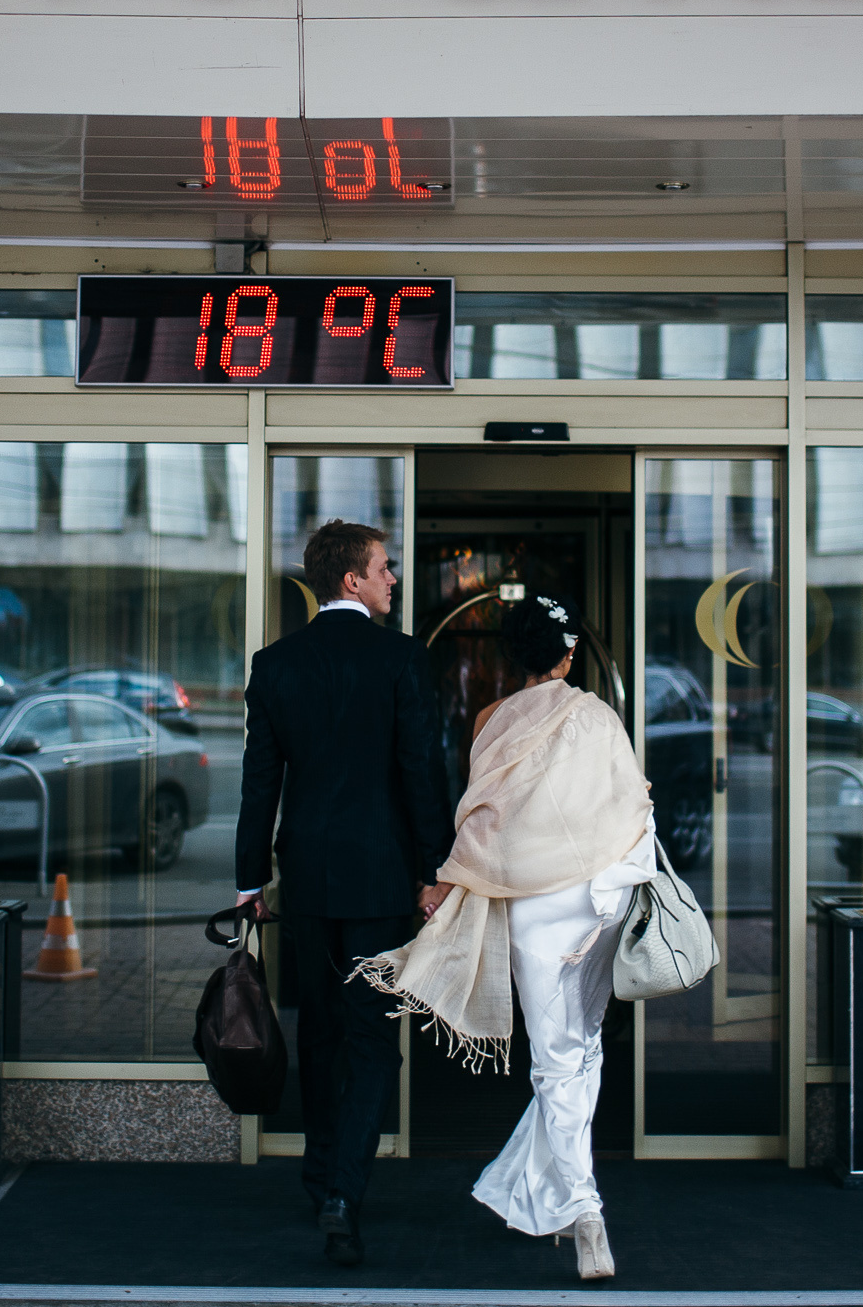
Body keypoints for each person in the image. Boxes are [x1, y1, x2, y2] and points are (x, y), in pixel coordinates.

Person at [353, 596, 654, 1282]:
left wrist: (452, 880)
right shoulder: (599, 717)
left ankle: (581, 1208)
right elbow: (632, 808)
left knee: (555, 1057)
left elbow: (482, 823)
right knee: (581, 1048)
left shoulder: (490, 721)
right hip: (593, 905)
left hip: (530, 906)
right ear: (569, 653)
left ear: (510, 655)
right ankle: (562, 1199)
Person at [235, 520, 454, 1269]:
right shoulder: (401, 659)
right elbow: (419, 771)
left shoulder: (276, 663)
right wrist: (435, 869)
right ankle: (342, 1195)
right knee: (369, 1041)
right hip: (379, 879)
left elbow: (261, 780)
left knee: (320, 1031)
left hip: (307, 878)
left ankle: (320, 1171)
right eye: (385, 568)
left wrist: (247, 880)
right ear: (352, 579)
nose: (394, 579)